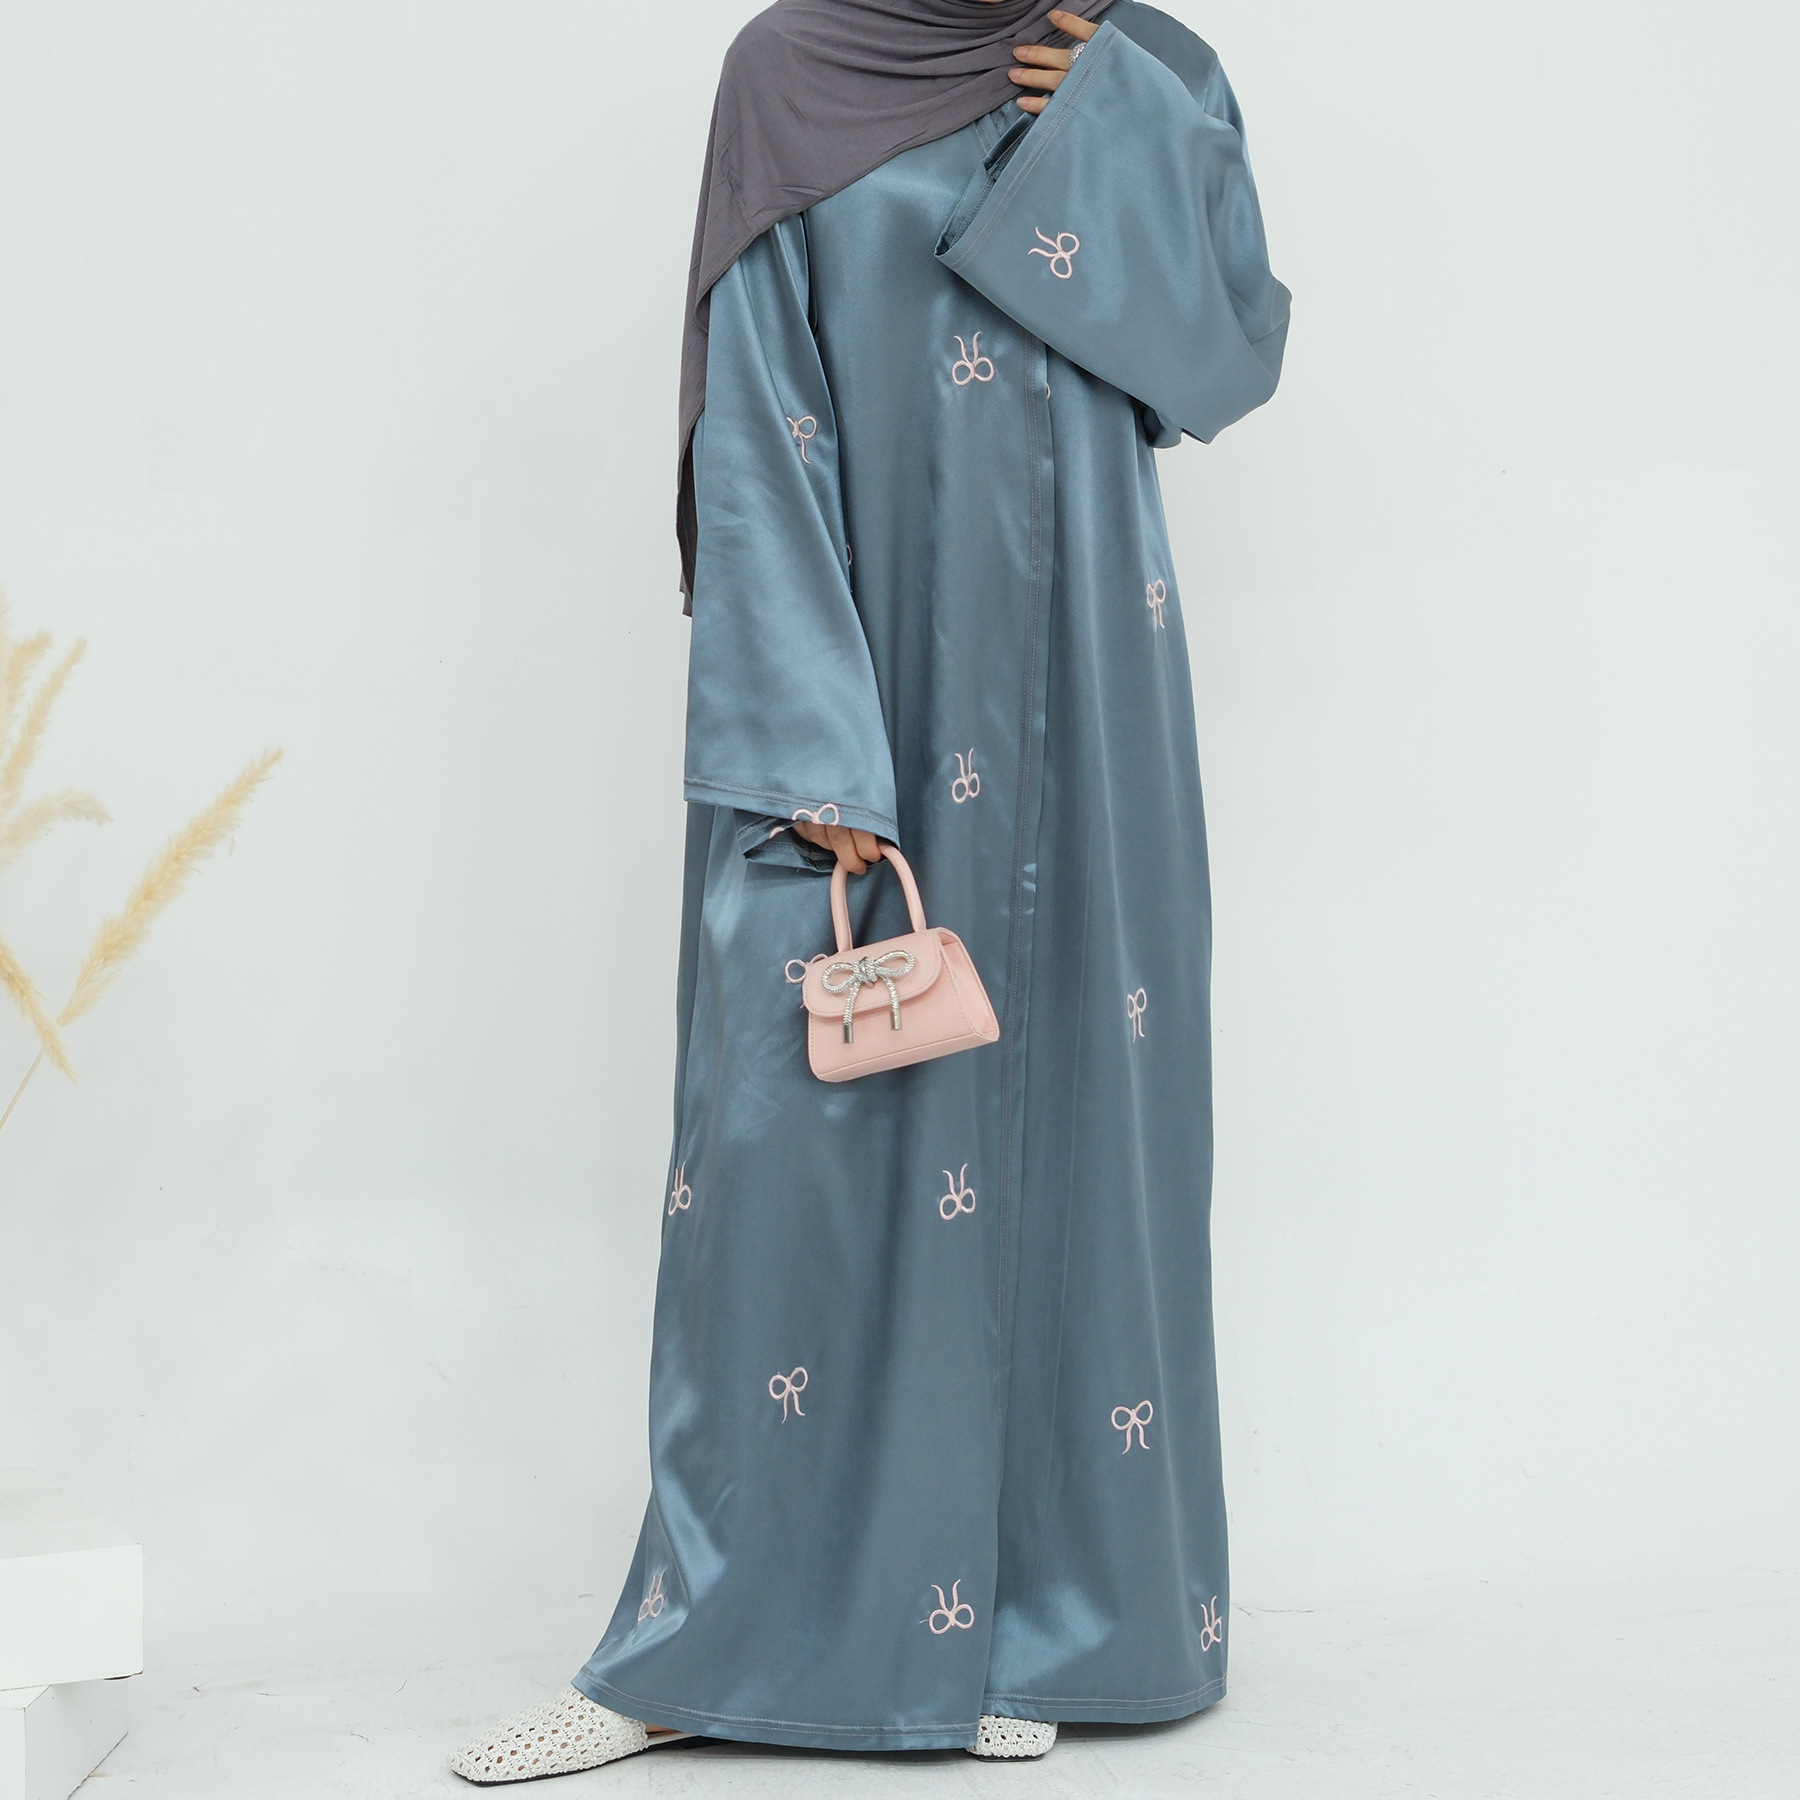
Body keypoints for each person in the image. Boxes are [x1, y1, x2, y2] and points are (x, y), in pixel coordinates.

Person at [450, 0, 1287, 1780]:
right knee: (798, 1153)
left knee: (1074, 1132)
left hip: (1091, 702)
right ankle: (701, 1649)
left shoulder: (1145, 63)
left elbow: (1219, 361)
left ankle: (1022, 1626)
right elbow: (754, 416)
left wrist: (1121, 127)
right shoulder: (792, 69)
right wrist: (811, 740)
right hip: (864, 692)